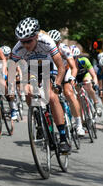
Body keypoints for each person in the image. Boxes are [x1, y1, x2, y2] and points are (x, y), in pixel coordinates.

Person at [12, 18, 71, 153]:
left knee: (51, 96)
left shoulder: (47, 41)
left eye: (29, 41)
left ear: (37, 36)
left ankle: (62, 138)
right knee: (27, 91)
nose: (26, 45)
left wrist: (57, 84)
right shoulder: (18, 48)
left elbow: (61, 67)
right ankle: (38, 119)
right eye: (23, 41)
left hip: (48, 66)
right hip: (31, 68)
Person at [48, 30, 85, 137]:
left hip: (65, 71)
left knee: (68, 93)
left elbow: (73, 67)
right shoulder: (45, 49)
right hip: (53, 72)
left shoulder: (64, 49)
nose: (53, 45)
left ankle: (79, 125)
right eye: (51, 42)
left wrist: (72, 78)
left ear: (59, 42)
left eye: (56, 43)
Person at [70, 45, 102, 117]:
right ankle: (83, 121)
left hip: (85, 75)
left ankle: (96, 103)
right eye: (71, 57)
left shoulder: (84, 61)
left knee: (88, 84)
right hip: (76, 79)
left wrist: (95, 83)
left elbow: (93, 75)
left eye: (74, 57)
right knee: (78, 98)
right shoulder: (68, 65)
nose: (72, 59)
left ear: (77, 57)